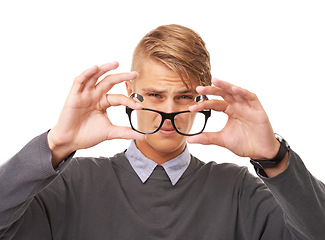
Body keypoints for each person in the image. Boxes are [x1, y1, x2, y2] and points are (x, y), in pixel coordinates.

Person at [0, 24, 324, 239]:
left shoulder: (239, 191)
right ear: (130, 90)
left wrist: (275, 158)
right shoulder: (70, 185)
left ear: (202, 99)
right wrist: (56, 144)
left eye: (183, 97)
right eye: (156, 95)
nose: (169, 112)